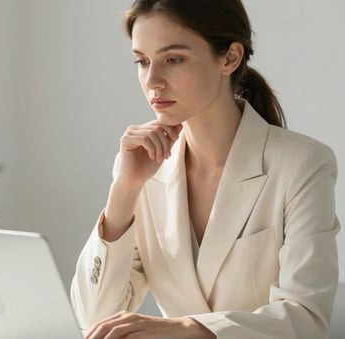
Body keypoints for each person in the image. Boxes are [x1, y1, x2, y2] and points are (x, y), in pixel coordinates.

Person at [70, 0, 340, 338]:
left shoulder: (302, 164)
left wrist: (185, 328)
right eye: (142, 61)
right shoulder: (145, 169)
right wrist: (124, 189)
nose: (152, 81)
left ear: (229, 58)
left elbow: (306, 320)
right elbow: (95, 317)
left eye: (174, 60)